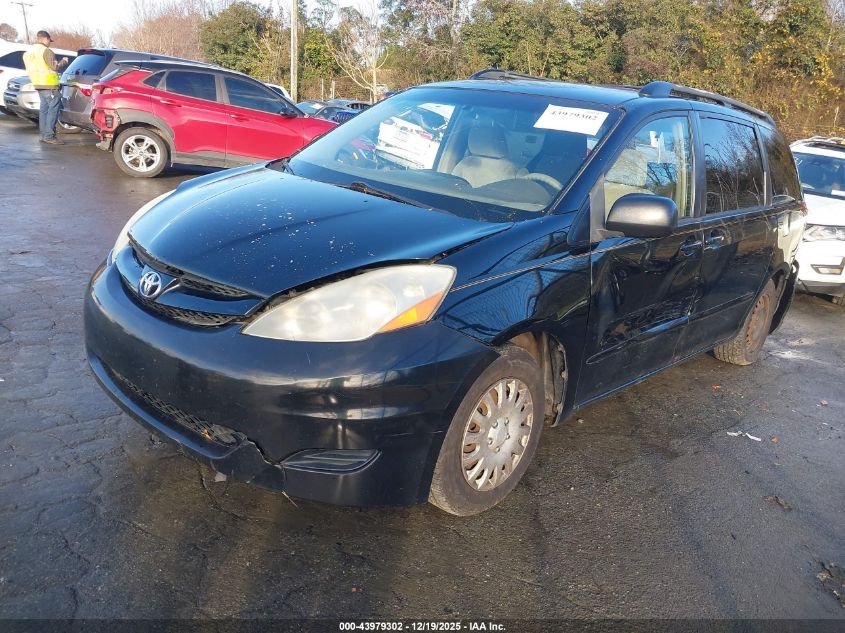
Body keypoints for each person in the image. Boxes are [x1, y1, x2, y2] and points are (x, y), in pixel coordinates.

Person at [22, 30, 69, 145]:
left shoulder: (29, 53)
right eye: (49, 40)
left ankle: (43, 135)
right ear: (45, 39)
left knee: (44, 110)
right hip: (49, 85)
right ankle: (49, 136)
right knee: (53, 110)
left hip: (38, 84)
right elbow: (54, 67)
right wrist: (63, 61)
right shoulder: (46, 51)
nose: (49, 43)